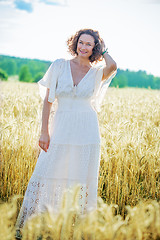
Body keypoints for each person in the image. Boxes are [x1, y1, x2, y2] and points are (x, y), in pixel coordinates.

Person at [16, 28, 117, 231]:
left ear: (95, 47)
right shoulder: (59, 66)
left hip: (87, 132)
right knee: (48, 173)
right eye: (81, 42)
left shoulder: (97, 73)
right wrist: (44, 132)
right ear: (75, 43)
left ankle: (70, 229)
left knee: (79, 180)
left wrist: (104, 50)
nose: (84, 47)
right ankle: (40, 227)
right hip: (60, 128)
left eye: (89, 44)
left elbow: (113, 66)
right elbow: (48, 100)